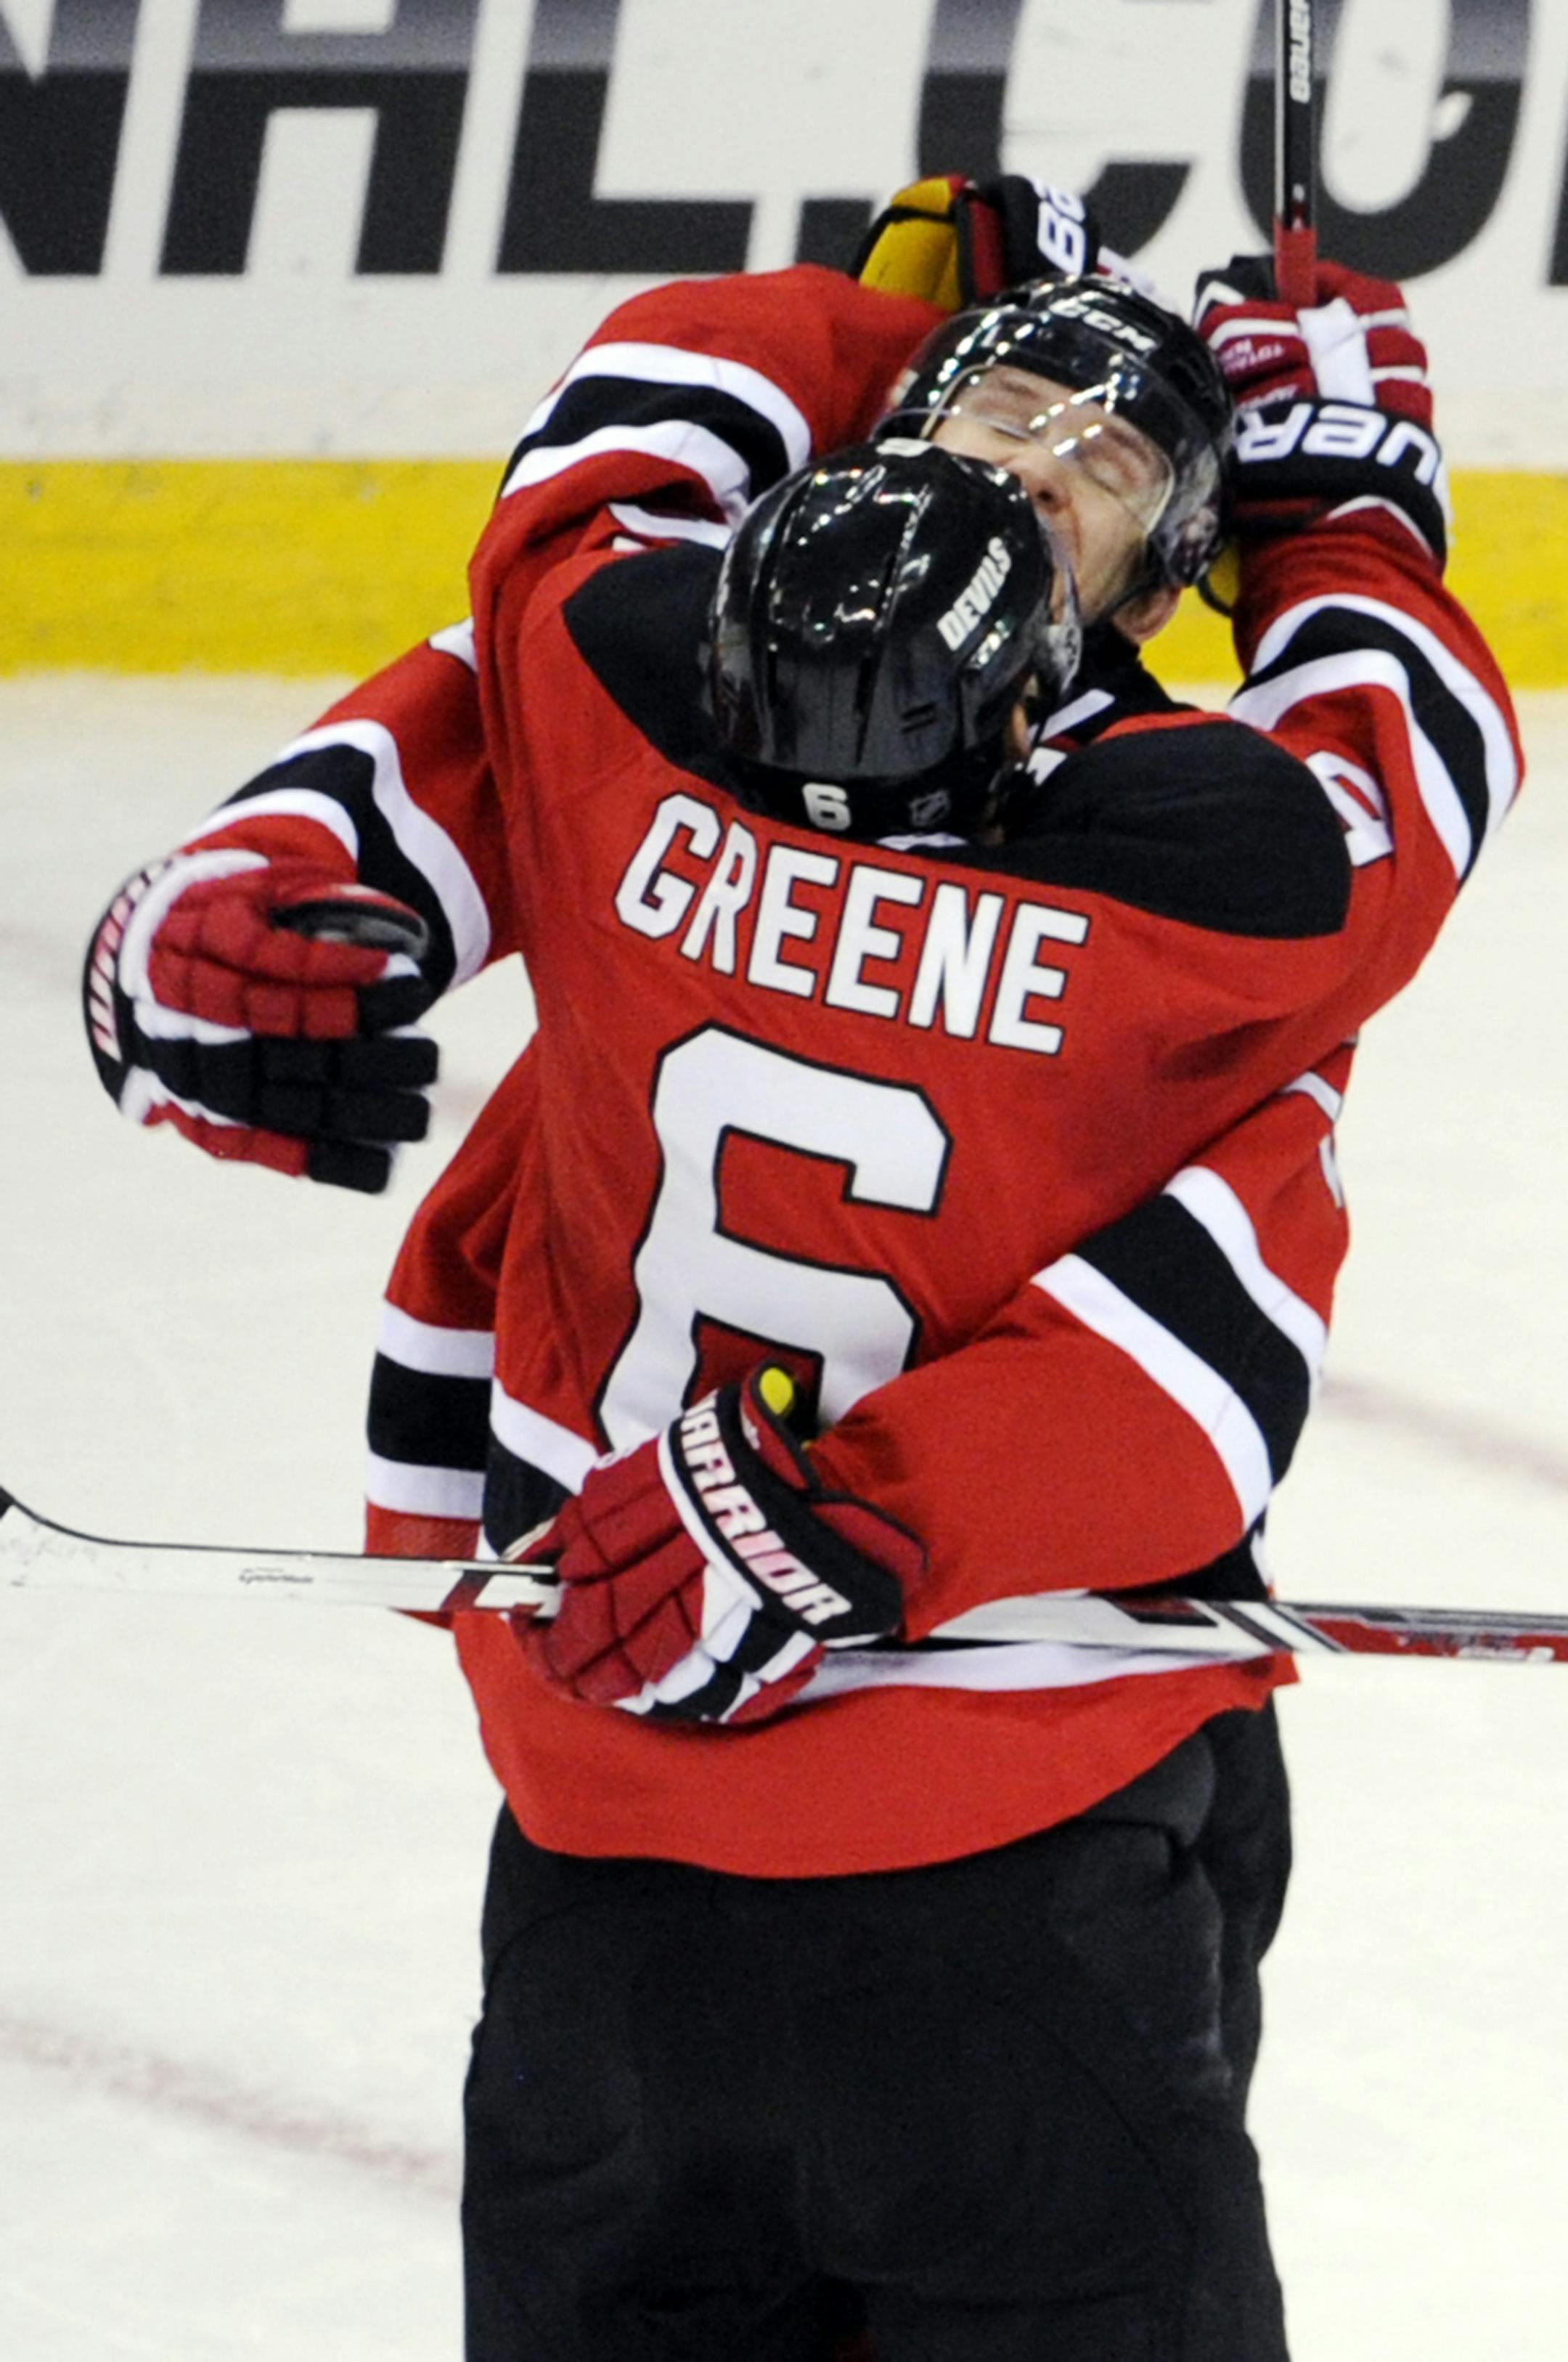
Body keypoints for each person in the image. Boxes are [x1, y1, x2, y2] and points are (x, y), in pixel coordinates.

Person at [83, 181, 1521, 2358]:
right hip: (1020, 1850)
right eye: (1015, 411)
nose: (1042, 466)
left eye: (1102, 455)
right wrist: (1343, 506)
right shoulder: (1229, 883)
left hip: (597, 1787)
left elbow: (618, 436)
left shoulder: (608, 685)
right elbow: (1397, 791)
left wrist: (885, 317)